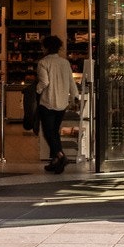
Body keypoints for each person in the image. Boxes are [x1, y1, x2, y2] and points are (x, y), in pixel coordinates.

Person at [34, 34, 77, 173]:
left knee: (48, 133)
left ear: (45, 47)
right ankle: (55, 162)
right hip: (62, 103)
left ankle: (60, 156)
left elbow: (44, 82)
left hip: (47, 102)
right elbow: (71, 82)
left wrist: (37, 89)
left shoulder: (43, 62)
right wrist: (74, 98)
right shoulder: (65, 63)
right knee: (55, 132)